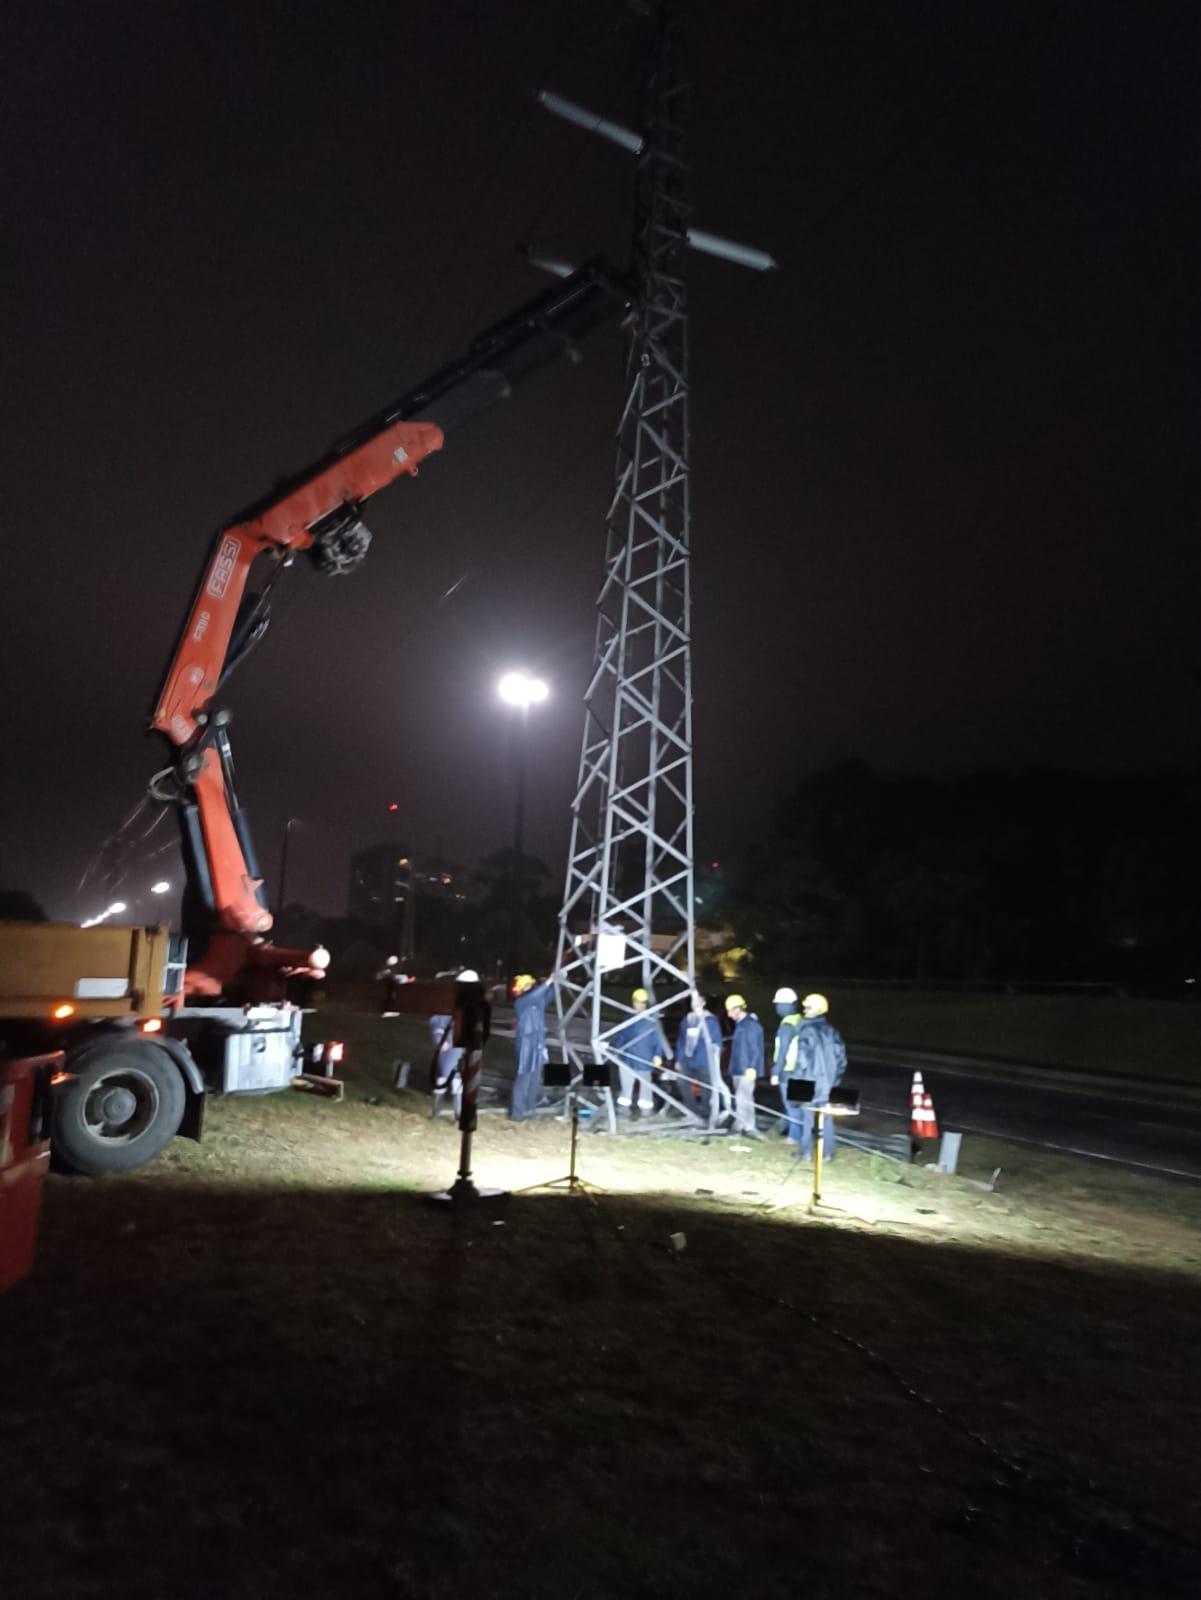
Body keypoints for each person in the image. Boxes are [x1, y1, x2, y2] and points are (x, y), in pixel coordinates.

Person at [793, 992, 848, 1162]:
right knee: (827, 1118)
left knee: (808, 1117)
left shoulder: (806, 1029)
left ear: (817, 1009)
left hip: (808, 1081)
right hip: (829, 1084)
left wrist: (796, 1084)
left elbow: (801, 1060)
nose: (804, 1010)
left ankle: (806, 1152)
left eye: (808, 1007)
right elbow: (842, 1061)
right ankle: (827, 1153)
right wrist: (835, 1080)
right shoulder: (833, 1032)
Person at [674, 993, 727, 1126]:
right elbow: (681, 1041)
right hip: (688, 1059)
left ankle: (706, 1114)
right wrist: (679, 1059)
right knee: (682, 1082)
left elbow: (716, 1043)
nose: (695, 1004)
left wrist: (714, 1061)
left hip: (704, 1061)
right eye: (693, 1001)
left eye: (698, 1001)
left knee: (706, 1089)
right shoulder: (688, 1020)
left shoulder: (710, 1020)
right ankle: (692, 1112)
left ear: (703, 1003)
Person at [612, 987, 667, 1115]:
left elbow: (658, 1039)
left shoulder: (652, 1021)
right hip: (628, 1059)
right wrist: (616, 1049)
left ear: (645, 1003)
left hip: (644, 1059)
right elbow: (621, 1036)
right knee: (626, 1086)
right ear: (633, 1002)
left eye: (642, 1003)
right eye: (637, 1002)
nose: (639, 1005)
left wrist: (657, 1055)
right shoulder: (628, 1018)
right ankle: (624, 1110)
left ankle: (646, 1111)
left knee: (645, 1087)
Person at [509, 971, 556, 1121]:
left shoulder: (536, 1001)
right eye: (530, 985)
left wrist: (558, 983)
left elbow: (549, 994)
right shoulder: (521, 1002)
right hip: (526, 1045)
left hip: (538, 1044)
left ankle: (529, 1109)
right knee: (524, 1078)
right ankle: (517, 1113)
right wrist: (548, 982)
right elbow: (536, 995)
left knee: (535, 1079)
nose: (533, 987)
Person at [724, 994, 765, 1135]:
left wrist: (752, 1067)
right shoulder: (741, 1025)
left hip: (746, 1070)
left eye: (730, 1011)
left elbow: (755, 1048)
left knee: (742, 1098)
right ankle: (749, 1126)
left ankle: (738, 1127)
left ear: (738, 1009)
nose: (729, 1015)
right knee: (745, 1098)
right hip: (738, 1068)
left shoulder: (751, 1025)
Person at [770, 985, 805, 1146]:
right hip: (801, 1070)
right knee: (800, 1106)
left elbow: (783, 1050)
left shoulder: (787, 1025)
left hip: (788, 1071)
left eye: (778, 1004)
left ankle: (794, 1137)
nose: (777, 1007)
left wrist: (776, 1072)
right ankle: (800, 1135)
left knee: (791, 1107)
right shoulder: (801, 1021)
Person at [427, 1011, 463, 1118]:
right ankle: (437, 1111)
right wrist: (439, 1039)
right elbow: (437, 1022)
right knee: (444, 1074)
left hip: (459, 1044)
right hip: (448, 1044)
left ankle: (458, 1112)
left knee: (456, 1075)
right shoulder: (445, 1008)